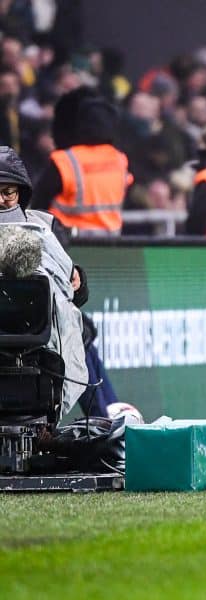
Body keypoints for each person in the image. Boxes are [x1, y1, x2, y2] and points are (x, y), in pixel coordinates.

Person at [0, 145, 88, 415]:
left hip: (38, 342)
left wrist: (78, 280)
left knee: (85, 333)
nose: (1, 200)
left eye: (8, 192)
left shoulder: (46, 227)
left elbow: (74, 294)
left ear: (21, 193)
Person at [30, 91, 132, 236]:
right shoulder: (120, 160)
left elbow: (39, 202)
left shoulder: (65, 160)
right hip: (109, 243)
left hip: (67, 244)